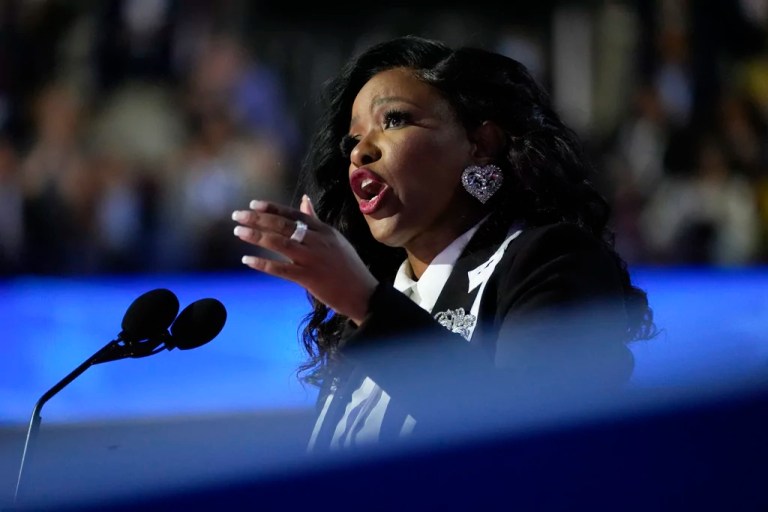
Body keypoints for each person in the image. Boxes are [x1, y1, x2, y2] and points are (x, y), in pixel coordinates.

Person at [231, 35, 657, 453]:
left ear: (480, 145)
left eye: (394, 119)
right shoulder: (370, 315)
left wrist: (366, 303)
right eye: (351, 140)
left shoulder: (552, 260)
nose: (360, 152)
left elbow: (530, 438)